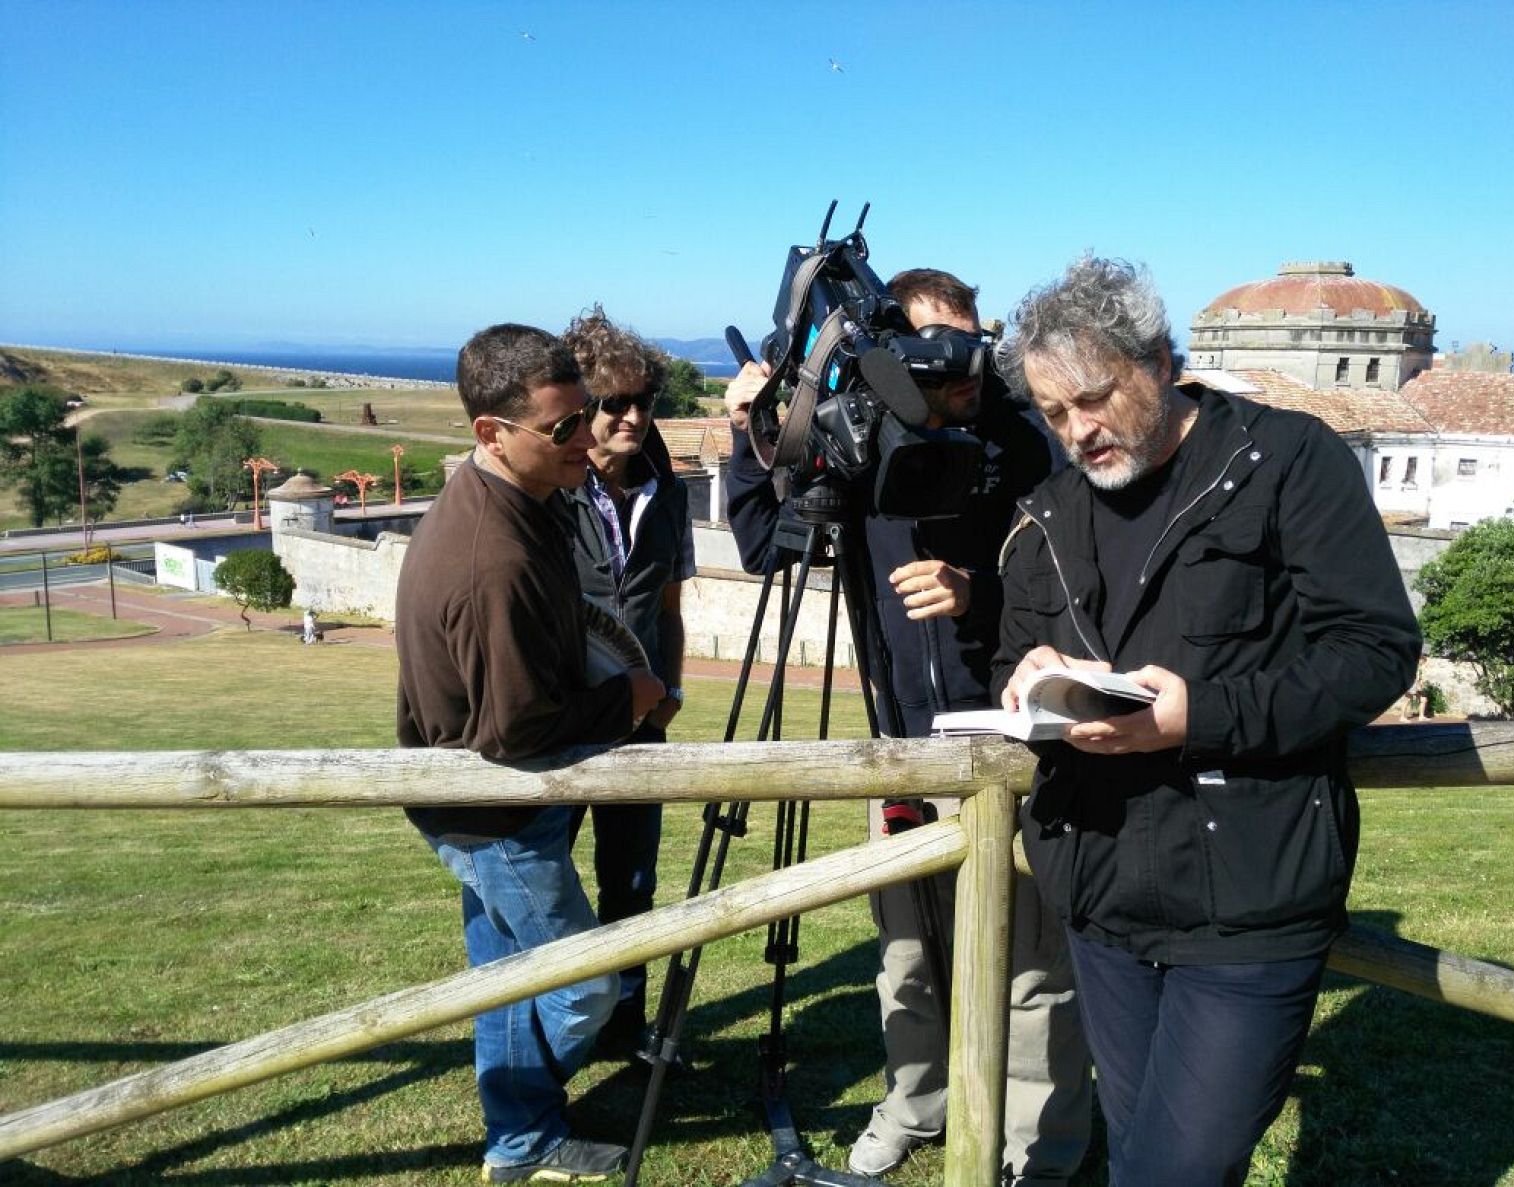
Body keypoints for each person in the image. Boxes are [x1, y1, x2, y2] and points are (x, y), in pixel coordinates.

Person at [993, 256, 1421, 1186]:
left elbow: (1376, 650)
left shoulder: (1286, 462)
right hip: (1099, 891)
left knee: (1173, 1172)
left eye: (1094, 398)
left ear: (1157, 361)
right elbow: (1010, 658)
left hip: (1249, 897)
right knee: (1146, 1157)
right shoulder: (1048, 510)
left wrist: (1201, 716)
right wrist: (1028, 680)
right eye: (1053, 414)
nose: (1078, 430)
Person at [725, 269, 1092, 1183]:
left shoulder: (1028, 437)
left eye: (967, 354)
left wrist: (984, 595)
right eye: (925, 359)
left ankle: (1038, 1146)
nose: (953, 376)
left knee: (1033, 964)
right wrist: (750, 433)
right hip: (898, 736)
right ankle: (918, 1099)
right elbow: (769, 542)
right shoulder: (858, 433)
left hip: (1018, 738)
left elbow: (1089, 584)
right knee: (906, 951)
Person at [395, 323, 665, 1184]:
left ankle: (521, 1141)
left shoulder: (527, 500)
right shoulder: (494, 555)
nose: (586, 438)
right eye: (565, 429)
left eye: (585, 416)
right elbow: (514, 729)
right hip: (496, 813)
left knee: (511, 980)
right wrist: (631, 696)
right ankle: (525, 1129)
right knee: (582, 982)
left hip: (503, 804)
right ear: (490, 433)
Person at [558, 307, 695, 1057]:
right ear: (583, 406)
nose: (634, 416)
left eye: (645, 401)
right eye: (616, 402)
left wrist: (668, 689)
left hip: (642, 726)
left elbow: (669, 605)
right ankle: (553, 1037)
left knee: (633, 883)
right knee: (548, 883)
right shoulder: (550, 489)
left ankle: (623, 1029)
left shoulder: (666, 492)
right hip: (562, 724)